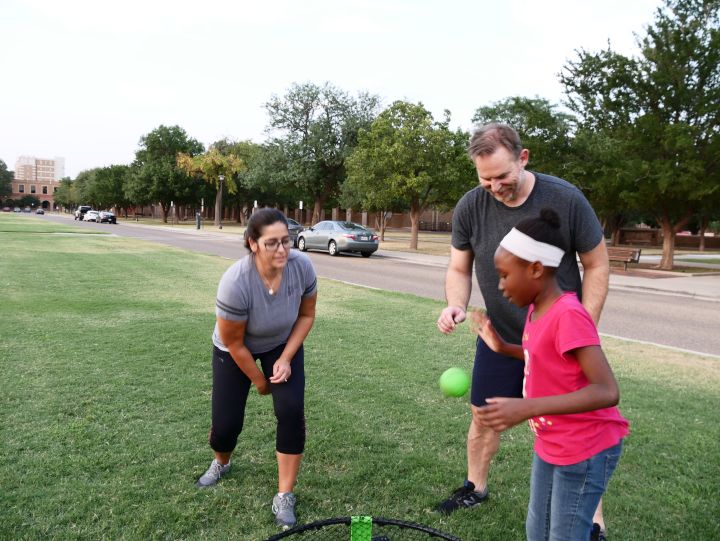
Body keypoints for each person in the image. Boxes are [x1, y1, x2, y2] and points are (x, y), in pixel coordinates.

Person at [436, 124, 611, 539]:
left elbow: (597, 264)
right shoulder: (471, 205)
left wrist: (580, 331)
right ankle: (475, 487)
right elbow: (459, 267)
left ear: (523, 157)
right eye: (485, 179)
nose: (494, 187)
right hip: (500, 337)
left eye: (502, 176)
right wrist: (455, 303)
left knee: (574, 431)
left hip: (559, 339)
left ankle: (592, 522)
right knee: (484, 415)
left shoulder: (565, 198)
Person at [472, 208, 628, 540]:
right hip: (552, 441)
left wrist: (527, 407)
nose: (500, 286)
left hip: (585, 446)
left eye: (504, 275)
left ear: (536, 269)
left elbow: (607, 390)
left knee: (564, 535)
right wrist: (502, 347)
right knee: (537, 529)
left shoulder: (568, 315)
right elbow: (542, 354)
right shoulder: (536, 309)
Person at [195, 208, 318, 531]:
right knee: (226, 425)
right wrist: (261, 382)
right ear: (253, 243)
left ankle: (284, 494)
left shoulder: (302, 267)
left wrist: (286, 358)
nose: (282, 249)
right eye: (271, 243)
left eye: (286, 241)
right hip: (235, 349)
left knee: (290, 409)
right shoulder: (235, 282)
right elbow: (235, 343)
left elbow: (306, 316)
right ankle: (222, 462)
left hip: (281, 343)